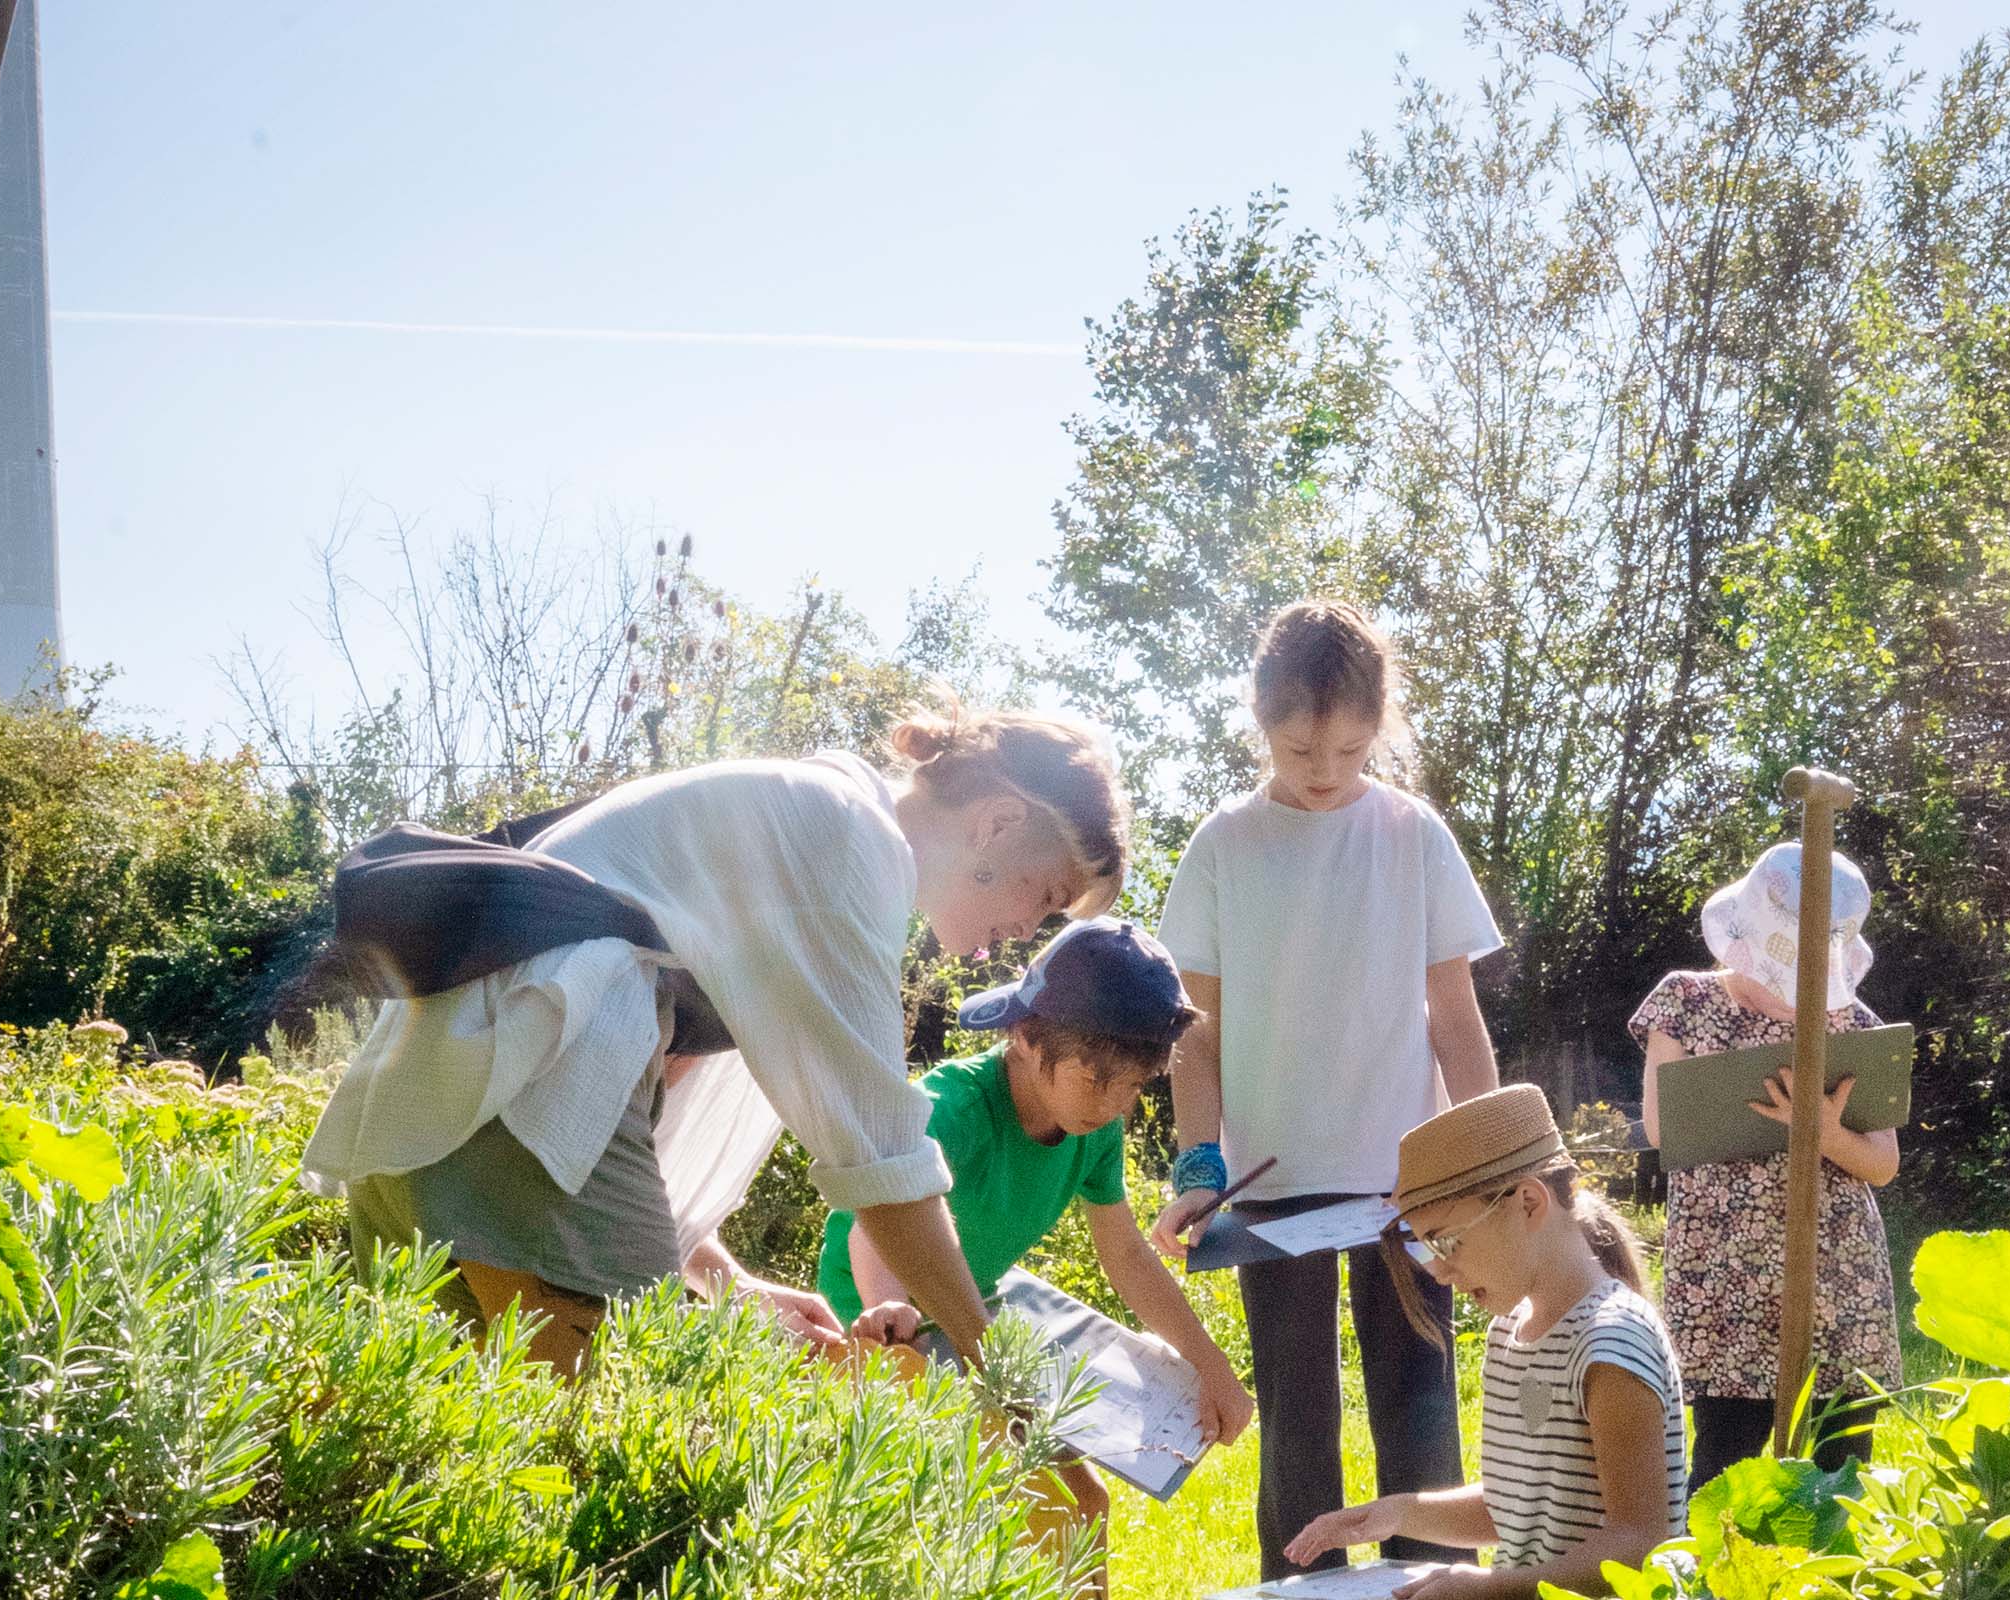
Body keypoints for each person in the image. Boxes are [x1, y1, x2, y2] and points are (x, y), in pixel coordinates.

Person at [301, 710, 1129, 1372]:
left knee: (456, 1466)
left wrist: (724, 1282)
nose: (1025, 933)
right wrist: (992, 1362)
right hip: (529, 1092)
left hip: (454, 1091)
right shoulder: (851, 845)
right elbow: (884, 1161)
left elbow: (636, 1121)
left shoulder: (810, 822)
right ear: (998, 822)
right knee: (601, 1455)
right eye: (1046, 894)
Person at [1146, 599, 1505, 1579]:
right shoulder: (1225, 844)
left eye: (1350, 749)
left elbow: (1456, 1016)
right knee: (1298, 1424)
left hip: (1408, 1182)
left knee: (1421, 1409)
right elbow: (1196, 1033)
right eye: (1304, 747)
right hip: (1271, 1187)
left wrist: (1487, 1162)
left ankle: (1430, 1585)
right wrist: (1197, 1164)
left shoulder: (1411, 833)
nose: (1325, 770)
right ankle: (1304, 1587)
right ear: (1262, 720)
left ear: (1376, 730)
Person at [821, 918, 1256, 1595]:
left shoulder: (1093, 1129)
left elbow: (1127, 1258)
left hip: (975, 1323)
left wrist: (1213, 1365)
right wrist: (893, 1303)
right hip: (880, 1330)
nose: (1114, 1105)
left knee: (1076, 1508)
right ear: (1027, 1037)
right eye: (1096, 1080)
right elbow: (874, 1223)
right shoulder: (950, 1109)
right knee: (985, 1522)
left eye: (1136, 1088)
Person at [1282, 1085, 1687, 1598]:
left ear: (1529, 1202)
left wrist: (1493, 1588)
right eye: (1427, 1248)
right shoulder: (1507, 1335)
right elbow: (1515, 1507)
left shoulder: (1612, 1345)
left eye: (1448, 1241)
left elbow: (1639, 1543)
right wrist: (1395, 1514)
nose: (1442, 1272)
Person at [1633, 842, 1900, 1482]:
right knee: (1726, 1460)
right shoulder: (1685, 1001)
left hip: (1835, 1267)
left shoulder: (1856, 1026)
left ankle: (1833, 1579)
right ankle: (1719, 1581)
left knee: (1843, 1466)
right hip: (1725, 1266)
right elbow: (1663, 1128)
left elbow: (1883, 1165)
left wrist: (1825, 1132)